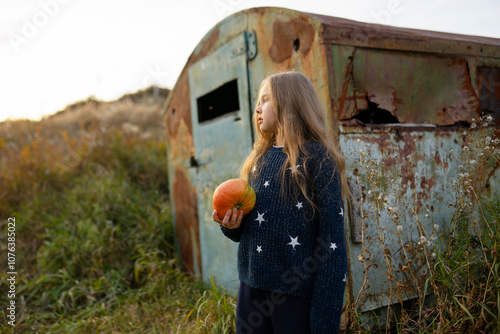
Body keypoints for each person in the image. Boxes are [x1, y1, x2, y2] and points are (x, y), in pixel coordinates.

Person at [213, 71, 350, 334]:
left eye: (266, 100)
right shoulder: (259, 159)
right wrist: (231, 225)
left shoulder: (318, 159)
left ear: (289, 104)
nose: (257, 108)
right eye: (259, 101)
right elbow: (248, 232)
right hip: (251, 288)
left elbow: (332, 245)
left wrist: (325, 320)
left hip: (294, 296)